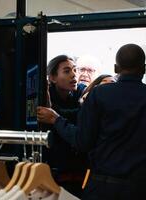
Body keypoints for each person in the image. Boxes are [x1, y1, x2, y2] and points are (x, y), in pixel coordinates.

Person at [38, 44, 146, 200]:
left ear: (116, 67)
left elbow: (82, 141)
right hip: (144, 188)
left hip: (104, 187)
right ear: (144, 68)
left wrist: (56, 120)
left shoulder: (99, 94)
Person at [44, 55, 88, 198]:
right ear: (52, 78)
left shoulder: (82, 91)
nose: (74, 75)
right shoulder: (44, 94)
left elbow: (83, 116)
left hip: (80, 171)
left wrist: (55, 115)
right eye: (67, 71)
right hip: (54, 170)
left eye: (75, 70)